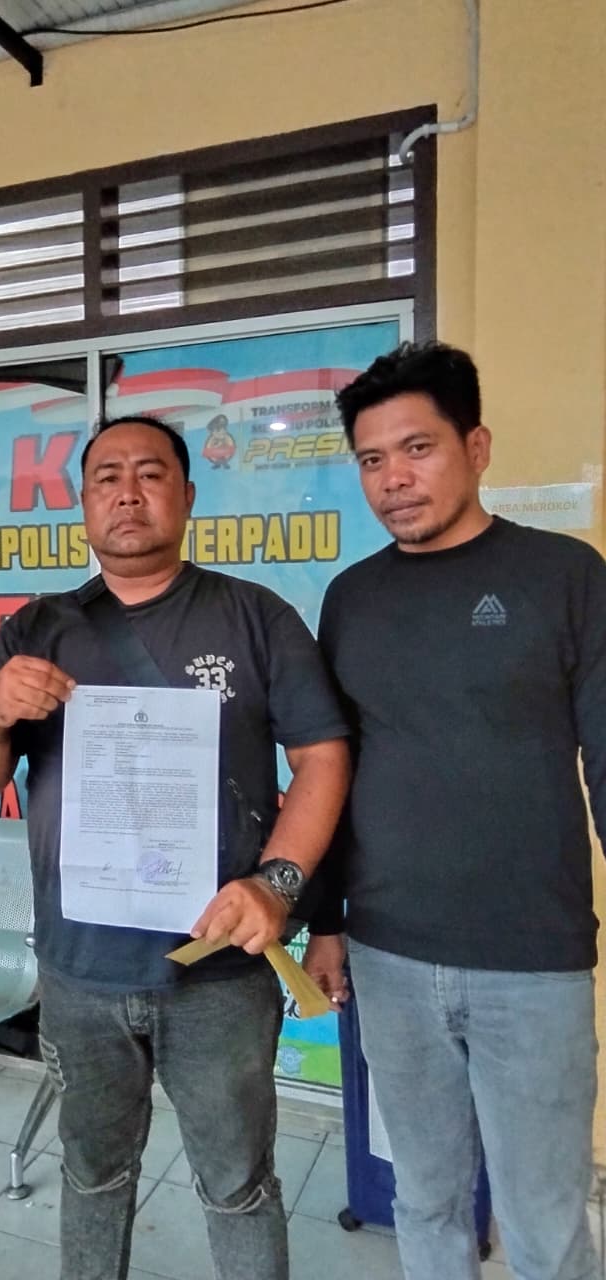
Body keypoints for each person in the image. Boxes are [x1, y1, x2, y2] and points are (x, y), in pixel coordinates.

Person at [0, 413, 350, 1280]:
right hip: (81, 971)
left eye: (151, 474)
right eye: (108, 478)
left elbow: (322, 755)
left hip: (220, 971)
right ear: (83, 504)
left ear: (188, 495)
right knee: (92, 1175)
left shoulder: (254, 616)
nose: (128, 493)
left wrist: (278, 883)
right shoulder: (39, 628)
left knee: (238, 1184)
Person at [304, 342, 604, 1280]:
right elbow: (333, 769)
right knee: (425, 1201)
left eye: (417, 449)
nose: (394, 479)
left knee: (544, 1220)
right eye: (372, 459)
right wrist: (325, 922)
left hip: (534, 960)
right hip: (389, 955)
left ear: (476, 447)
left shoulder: (566, 575)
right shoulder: (352, 598)